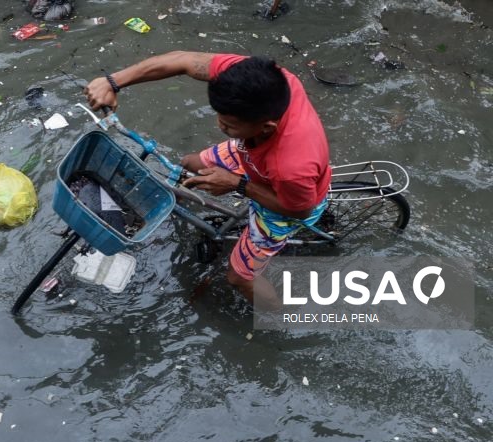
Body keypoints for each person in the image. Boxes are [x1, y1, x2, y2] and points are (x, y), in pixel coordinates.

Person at [84, 51, 332, 306]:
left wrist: (238, 184)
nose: (220, 127)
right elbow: (183, 60)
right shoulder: (270, 81)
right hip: (252, 152)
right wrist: (113, 82)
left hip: (286, 205)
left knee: (239, 277)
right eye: (219, 118)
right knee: (190, 163)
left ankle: (280, 318)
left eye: (229, 126)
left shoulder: (292, 166)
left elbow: (300, 210)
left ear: (266, 127)